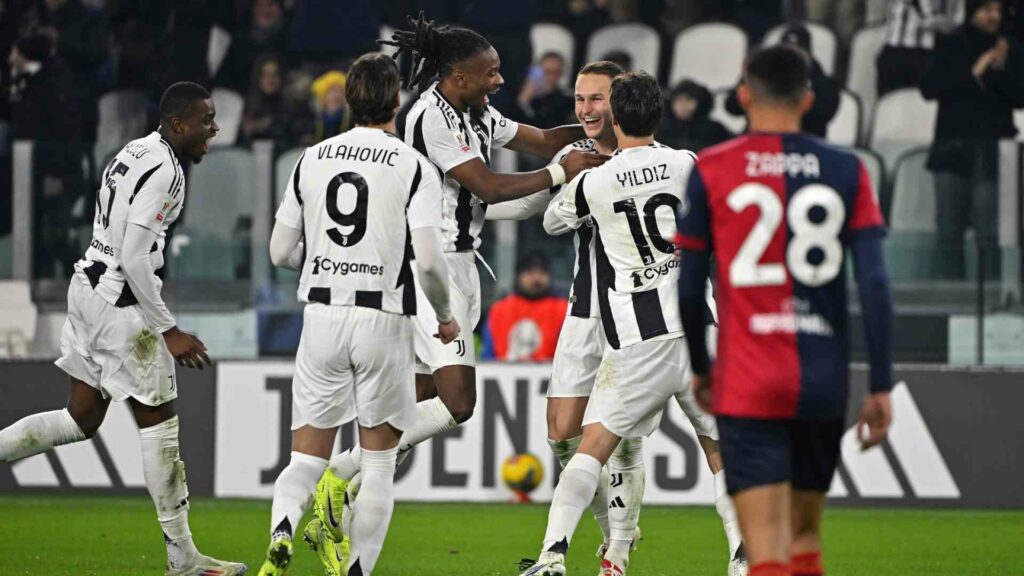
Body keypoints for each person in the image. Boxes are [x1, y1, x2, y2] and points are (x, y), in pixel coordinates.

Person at [308, 12, 608, 566]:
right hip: (432, 267)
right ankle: (340, 472)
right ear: (458, 76)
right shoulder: (430, 117)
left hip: (462, 262)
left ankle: (343, 519)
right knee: (459, 402)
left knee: (415, 406)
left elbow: (541, 139)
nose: (499, 80)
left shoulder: (475, 110)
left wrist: (601, 134)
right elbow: (488, 186)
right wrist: (564, 173)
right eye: (489, 73)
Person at [0, 82, 246, 576]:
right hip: (120, 303)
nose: (214, 129)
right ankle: (183, 559)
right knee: (162, 426)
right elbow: (134, 257)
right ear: (178, 125)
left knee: (80, 417)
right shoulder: (167, 173)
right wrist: (169, 330)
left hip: (87, 287)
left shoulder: (134, 149)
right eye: (205, 120)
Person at [676, 45, 895, 576]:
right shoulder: (847, 169)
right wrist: (882, 385)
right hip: (820, 378)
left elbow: (687, 286)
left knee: (765, 554)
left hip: (747, 379)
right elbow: (875, 284)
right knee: (804, 543)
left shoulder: (713, 169)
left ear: (744, 96)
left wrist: (704, 372)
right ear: (810, 100)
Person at [520, 70, 744, 576]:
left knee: (590, 449)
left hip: (639, 340)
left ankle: (554, 555)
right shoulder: (687, 163)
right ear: (660, 115)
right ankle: (741, 558)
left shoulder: (596, 181)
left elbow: (553, 220)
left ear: (615, 117)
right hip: (698, 333)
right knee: (721, 451)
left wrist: (585, 189)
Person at [257, 52, 460, 576]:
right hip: (383, 318)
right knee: (378, 464)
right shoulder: (414, 166)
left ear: (348, 99)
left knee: (304, 460)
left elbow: (279, 252)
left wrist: (327, 263)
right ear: (397, 99)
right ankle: (357, 571)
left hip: (321, 314)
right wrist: (445, 316)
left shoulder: (311, 158)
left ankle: (282, 527)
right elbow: (432, 263)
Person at [920, 0, 1024, 279]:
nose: (994, 17)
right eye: (987, 10)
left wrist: (1003, 68)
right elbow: (930, 88)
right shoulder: (950, 43)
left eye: (998, 11)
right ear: (972, 11)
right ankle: (946, 302)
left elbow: (1019, 97)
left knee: (990, 234)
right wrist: (977, 70)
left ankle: (991, 299)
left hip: (992, 151)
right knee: (948, 234)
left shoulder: (1009, 48)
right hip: (951, 146)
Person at [726, 25, 839, 138]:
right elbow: (732, 107)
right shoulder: (760, 74)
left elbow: (825, 113)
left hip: (808, 142)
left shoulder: (822, 81)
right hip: (756, 140)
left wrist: (814, 76)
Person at [481, 252, 568, 361]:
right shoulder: (499, 310)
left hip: (550, 376)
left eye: (542, 272)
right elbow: (488, 355)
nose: (536, 278)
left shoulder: (563, 310)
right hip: (504, 375)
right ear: (519, 276)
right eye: (530, 272)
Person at [877, 0, 955, 97]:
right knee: (889, 103)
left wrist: (938, 23)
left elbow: (952, 24)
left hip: (927, 54)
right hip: (893, 49)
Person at [657, 79, 734, 152]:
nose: (683, 105)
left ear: (700, 102)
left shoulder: (714, 130)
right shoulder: (661, 129)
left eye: (688, 99)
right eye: (678, 100)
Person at [518, 52, 575, 129]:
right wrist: (524, 100)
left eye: (555, 72)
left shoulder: (567, 100)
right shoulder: (523, 95)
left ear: (561, 73)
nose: (551, 77)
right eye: (547, 72)